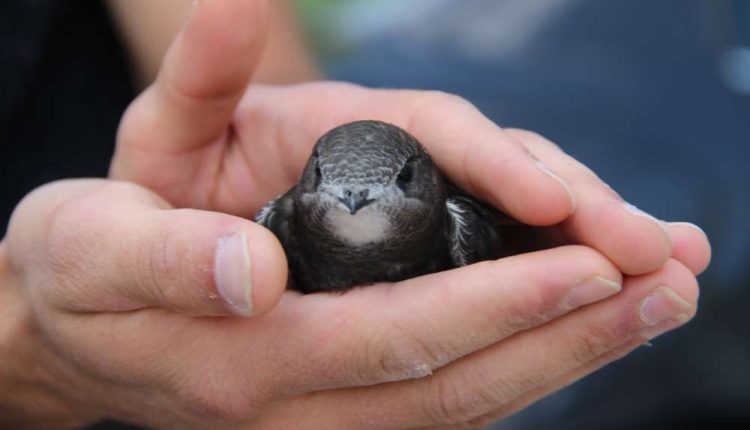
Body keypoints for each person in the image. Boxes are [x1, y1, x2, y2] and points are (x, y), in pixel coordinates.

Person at [0, 1, 710, 428]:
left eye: (388, 185)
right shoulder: (285, 217)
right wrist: (34, 358)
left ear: (426, 186)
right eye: (326, 184)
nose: (350, 199)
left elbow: (264, 75)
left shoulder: (453, 224)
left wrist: (243, 120)